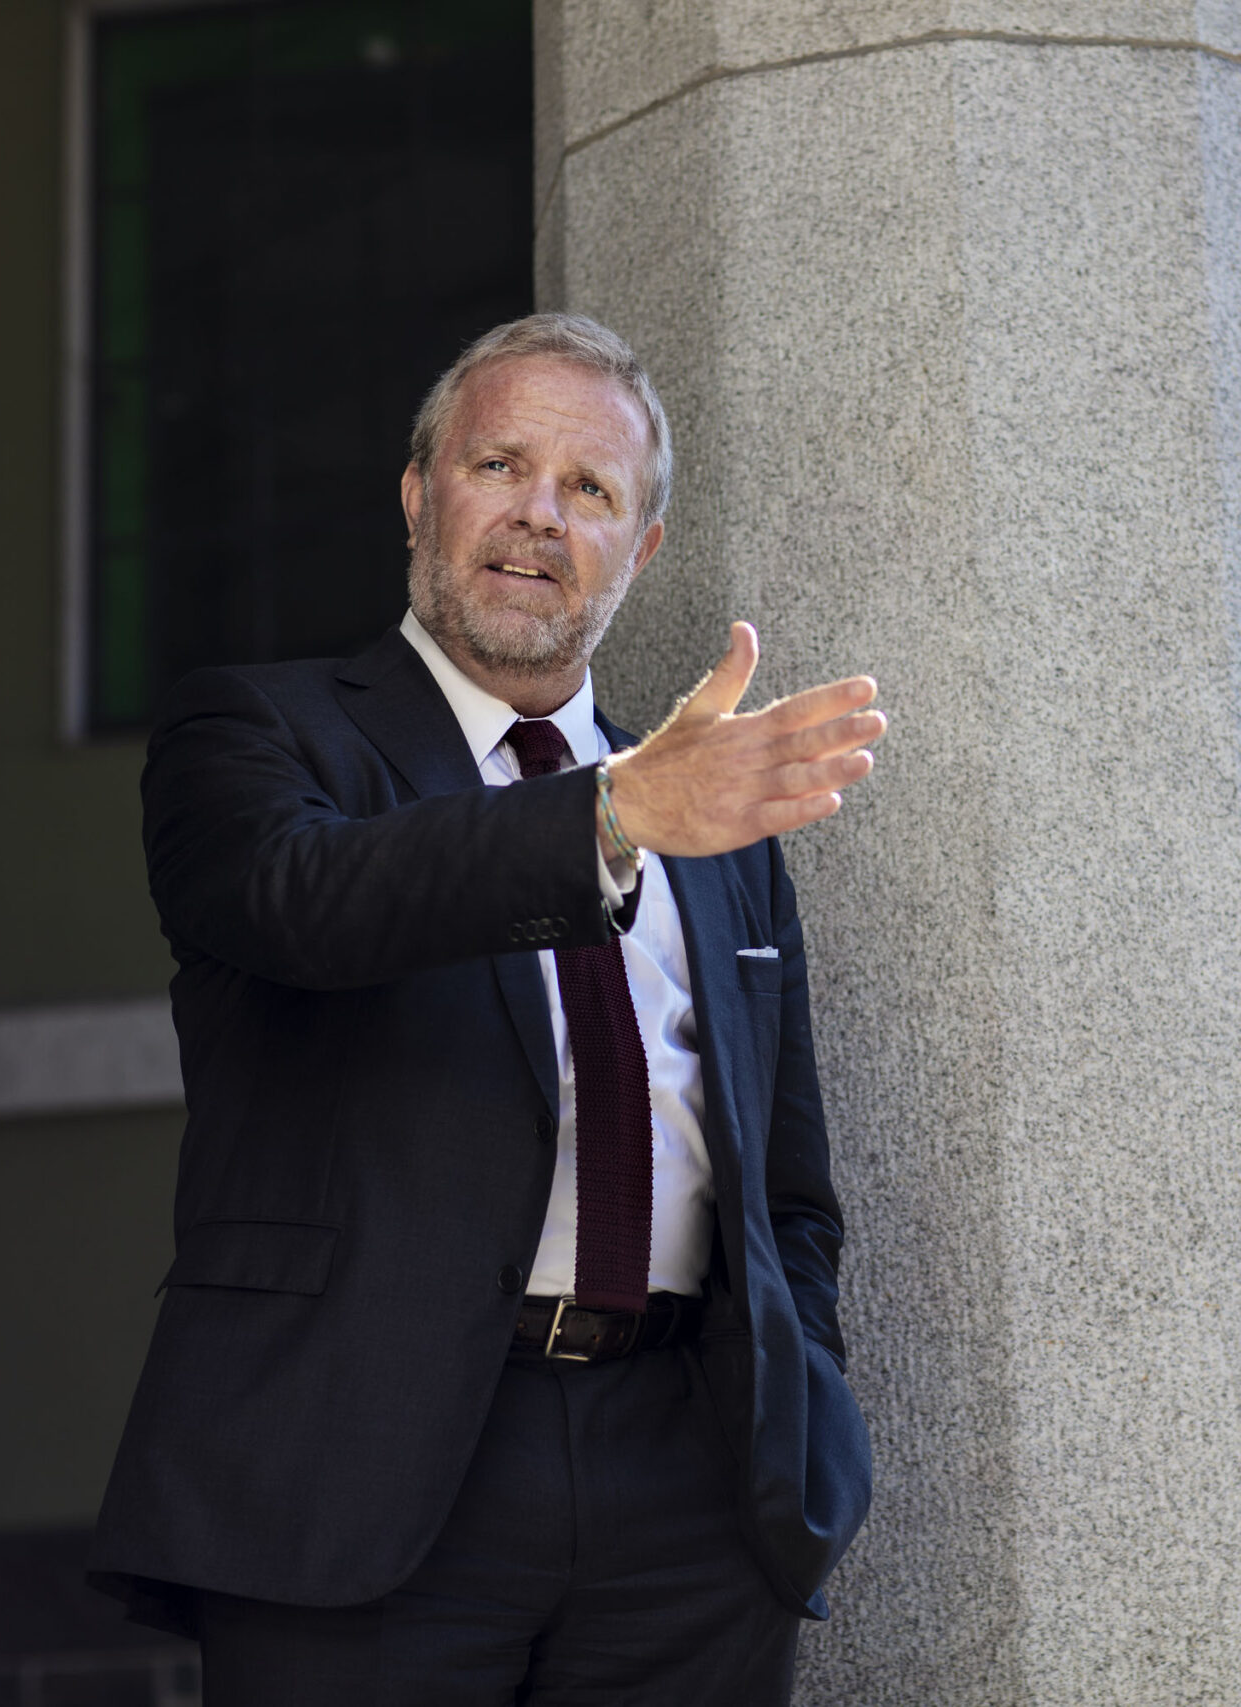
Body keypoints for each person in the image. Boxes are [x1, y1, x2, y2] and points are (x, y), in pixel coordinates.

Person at [86, 312, 879, 1706]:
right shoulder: (260, 732)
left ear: (640, 550)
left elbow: (789, 1184)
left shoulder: (713, 822)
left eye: (591, 489)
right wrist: (609, 819)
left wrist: (797, 1400)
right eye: (500, 464)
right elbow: (303, 902)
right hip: (358, 1474)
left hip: (691, 1496)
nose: (539, 515)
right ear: (417, 495)